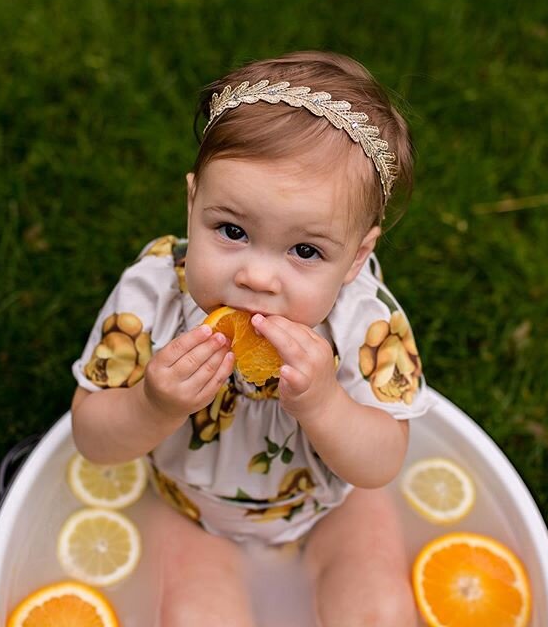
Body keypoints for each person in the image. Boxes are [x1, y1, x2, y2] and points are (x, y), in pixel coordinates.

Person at [71, 50, 429, 626]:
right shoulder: (153, 297)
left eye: (306, 251)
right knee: (196, 619)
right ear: (192, 205)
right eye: (231, 230)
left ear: (358, 256)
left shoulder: (367, 322)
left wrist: (323, 404)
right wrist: (153, 403)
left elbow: (381, 461)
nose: (257, 277)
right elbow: (92, 438)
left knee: (381, 612)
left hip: (330, 505)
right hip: (193, 507)